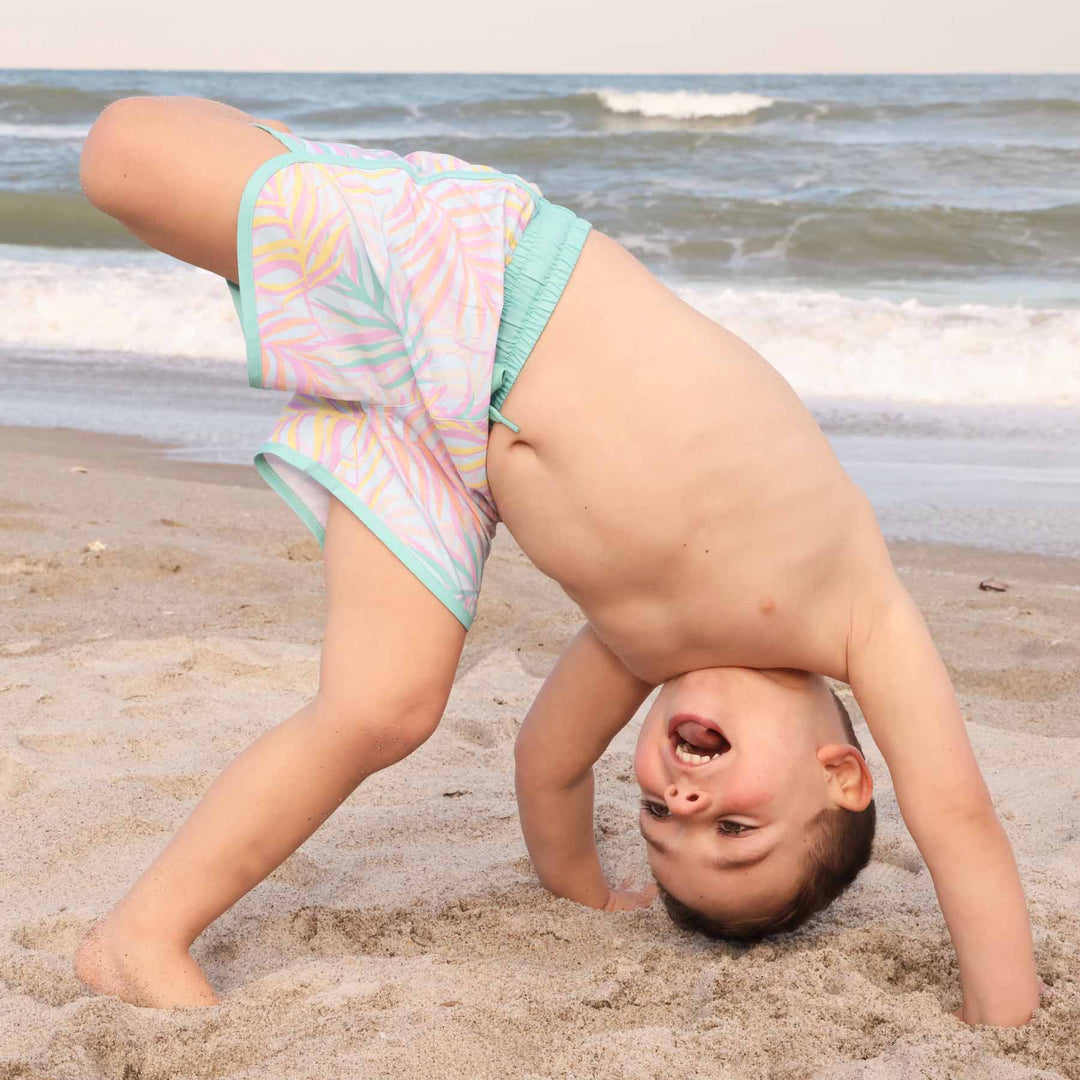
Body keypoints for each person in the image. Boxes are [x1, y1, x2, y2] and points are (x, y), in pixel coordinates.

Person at [72, 95, 1042, 1026]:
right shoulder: (860, 615)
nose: (684, 800)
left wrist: (582, 888)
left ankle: (139, 935)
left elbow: (551, 763)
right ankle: (265, 147)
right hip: (487, 287)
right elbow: (956, 815)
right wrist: (1000, 1016)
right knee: (124, 161)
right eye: (733, 831)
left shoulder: (640, 653)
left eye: (659, 819)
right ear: (843, 776)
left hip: (442, 453)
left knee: (385, 707)